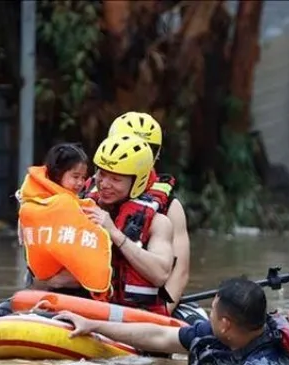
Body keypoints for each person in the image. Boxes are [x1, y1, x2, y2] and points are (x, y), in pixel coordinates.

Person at [85, 112, 203, 322]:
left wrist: (163, 313)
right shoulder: (87, 195)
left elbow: (179, 271)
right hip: (92, 302)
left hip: (141, 307)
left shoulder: (166, 209)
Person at [0, 143, 104, 327]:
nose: (80, 183)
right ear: (57, 174)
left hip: (73, 298)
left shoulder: (86, 210)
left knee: (27, 321)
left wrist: (55, 280)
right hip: (39, 291)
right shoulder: (34, 207)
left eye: (83, 177)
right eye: (75, 177)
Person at [54, 277, 289, 365]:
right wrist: (93, 325)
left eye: (214, 309)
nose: (211, 312)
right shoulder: (216, 334)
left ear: (226, 323)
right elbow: (160, 336)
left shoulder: (267, 360)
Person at [82, 132, 175, 316]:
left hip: (134, 315)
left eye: (116, 179)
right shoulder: (82, 207)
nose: (104, 184)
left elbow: (160, 275)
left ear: (136, 182)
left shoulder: (159, 222)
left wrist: (114, 233)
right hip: (87, 308)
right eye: (102, 174)